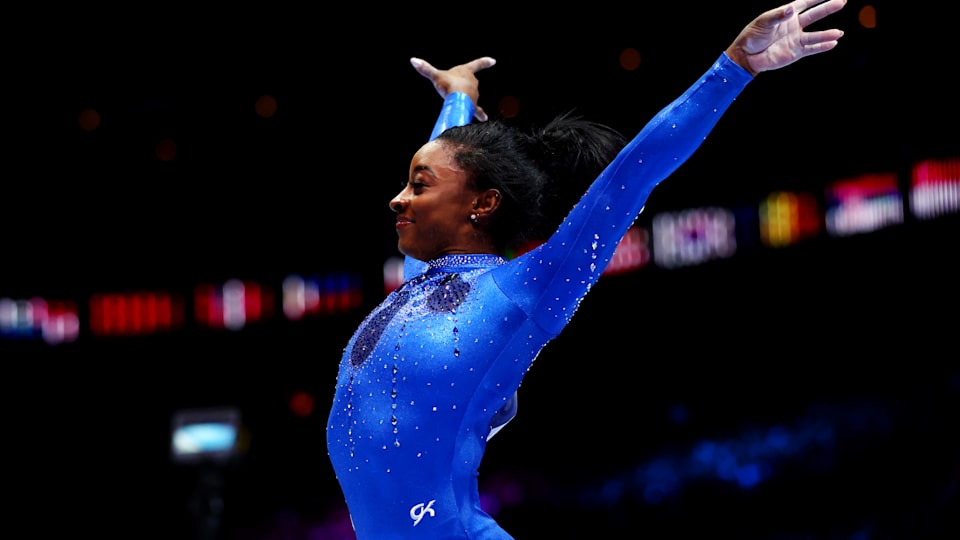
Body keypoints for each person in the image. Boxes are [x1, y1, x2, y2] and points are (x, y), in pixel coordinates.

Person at [325, 1, 847, 538]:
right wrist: (457, 97)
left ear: (482, 204)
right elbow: (448, 165)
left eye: (418, 185)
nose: (396, 199)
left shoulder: (524, 291)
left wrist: (734, 67)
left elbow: (631, 177)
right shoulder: (418, 280)